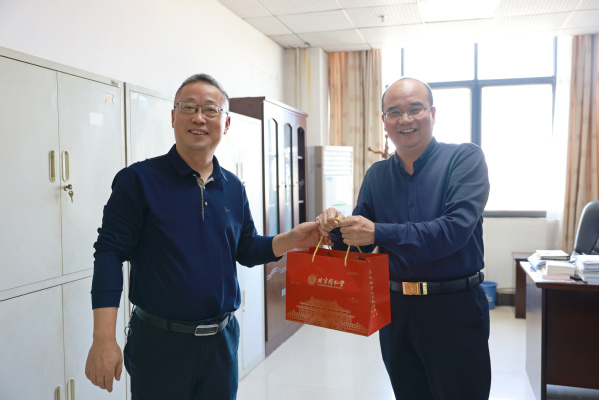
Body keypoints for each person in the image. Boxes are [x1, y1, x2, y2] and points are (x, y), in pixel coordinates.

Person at [85, 73, 321, 399]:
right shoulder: (138, 181)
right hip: (159, 344)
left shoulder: (233, 187)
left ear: (226, 123)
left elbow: (246, 249)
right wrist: (103, 338)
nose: (199, 117)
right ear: (173, 117)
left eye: (211, 109)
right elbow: (109, 254)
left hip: (221, 344)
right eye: (189, 107)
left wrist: (292, 240)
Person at [317, 77, 491, 400]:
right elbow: (360, 244)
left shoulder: (465, 159)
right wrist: (334, 228)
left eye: (415, 109)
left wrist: (377, 230)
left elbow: (452, 232)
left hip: (454, 308)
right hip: (395, 310)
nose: (405, 119)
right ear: (384, 122)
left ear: (433, 113)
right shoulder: (377, 175)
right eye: (394, 112)